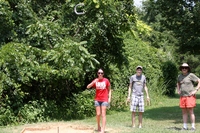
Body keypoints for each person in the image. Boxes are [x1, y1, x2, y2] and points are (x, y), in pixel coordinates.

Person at [87, 69, 112, 133]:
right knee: (98, 114)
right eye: (99, 73)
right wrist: (93, 82)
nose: (100, 74)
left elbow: (109, 90)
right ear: (97, 74)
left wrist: (109, 98)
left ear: (103, 74)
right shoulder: (96, 80)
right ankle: (98, 126)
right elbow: (88, 87)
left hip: (104, 99)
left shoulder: (106, 80)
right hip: (97, 99)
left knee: (103, 114)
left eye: (101, 73)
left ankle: (103, 130)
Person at [177, 63, 200, 131]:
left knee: (190, 111)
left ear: (188, 69)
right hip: (182, 96)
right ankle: (185, 126)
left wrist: (196, 90)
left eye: (186, 68)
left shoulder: (191, 75)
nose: (184, 69)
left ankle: (193, 127)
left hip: (190, 96)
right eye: (183, 68)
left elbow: (199, 81)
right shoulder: (179, 76)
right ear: (181, 69)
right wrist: (178, 89)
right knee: (184, 112)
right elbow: (178, 83)